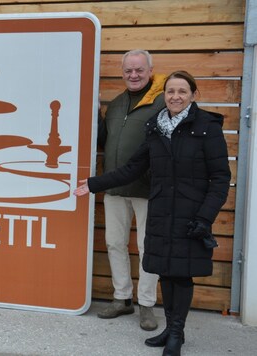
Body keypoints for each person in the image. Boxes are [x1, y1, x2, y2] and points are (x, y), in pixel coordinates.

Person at [75, 70, 231, 355]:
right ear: (164, 95)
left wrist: (205, 217)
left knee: (182, 275)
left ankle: (176, 334)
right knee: (168, 272)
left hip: (191, 215)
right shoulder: (156, 127)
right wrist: (94, 184)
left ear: (193, 95)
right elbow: (133, 168)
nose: (175, 96)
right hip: (161, 211)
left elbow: (221, 178)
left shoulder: (207, 127)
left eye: (182, 91)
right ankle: (171, 330)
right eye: (171, 91)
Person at [96, 49, 166, 330]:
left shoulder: (162, 102)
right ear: (122, 73)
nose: (133, 75)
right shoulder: (115, 105)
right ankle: (122, 298)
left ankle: (147, 305)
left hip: (149, 189)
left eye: (139, 70)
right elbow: (103, 141)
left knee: (147, 246)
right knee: (115, 243)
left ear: (150, 70)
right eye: (128, 71)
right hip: (115, 186)